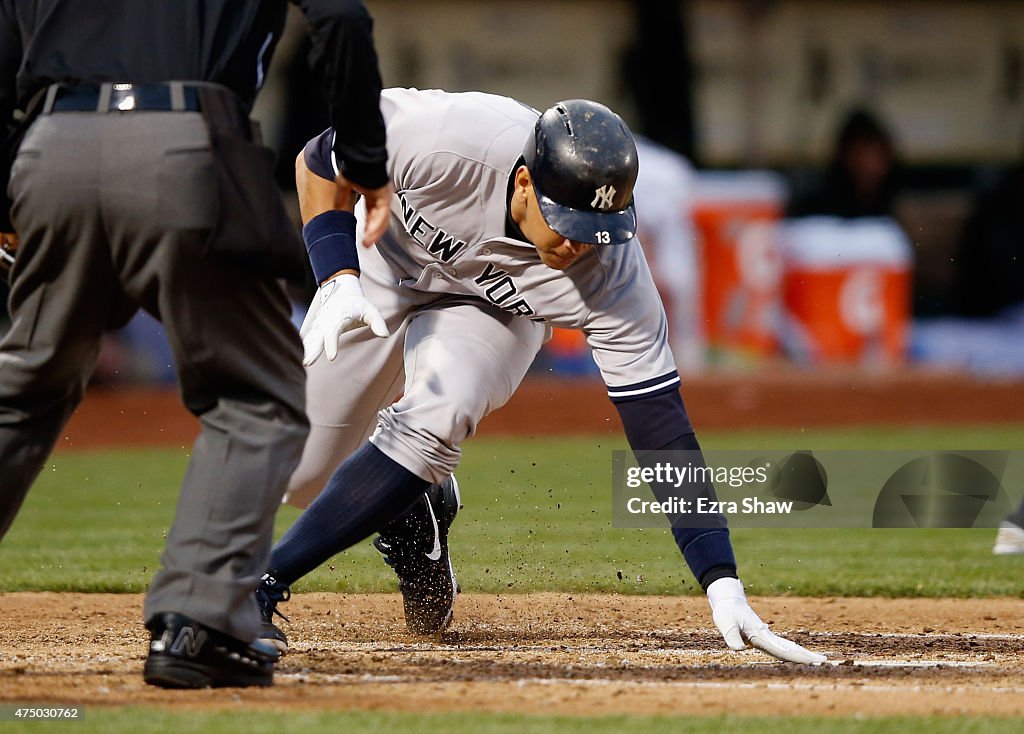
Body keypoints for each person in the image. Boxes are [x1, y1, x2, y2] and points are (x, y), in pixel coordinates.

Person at [255, 87, 826, 665]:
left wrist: (721, 581)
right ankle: (411, 506)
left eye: (598, 226)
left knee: (436, 416)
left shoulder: (613, 276)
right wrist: (334, 277)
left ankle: (262, 586)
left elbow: (662, 429)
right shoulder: (449, 138)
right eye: (569, 221)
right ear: (525, 183)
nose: (581, 242)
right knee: (299, 472)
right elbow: (320, 159)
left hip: (490, 314)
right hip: (382, 264)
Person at [0, 0, 391, 689]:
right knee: (257, 397)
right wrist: (364, 158)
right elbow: (341, 19)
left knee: (23, 391)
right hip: (185, 143)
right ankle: (200, 625)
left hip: (49, 147)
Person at [787, 107, 901, 220]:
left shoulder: (899, 204)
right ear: (844, 156)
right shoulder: (816, 206)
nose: (869, 166)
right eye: (859, 155)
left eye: (876, 156)